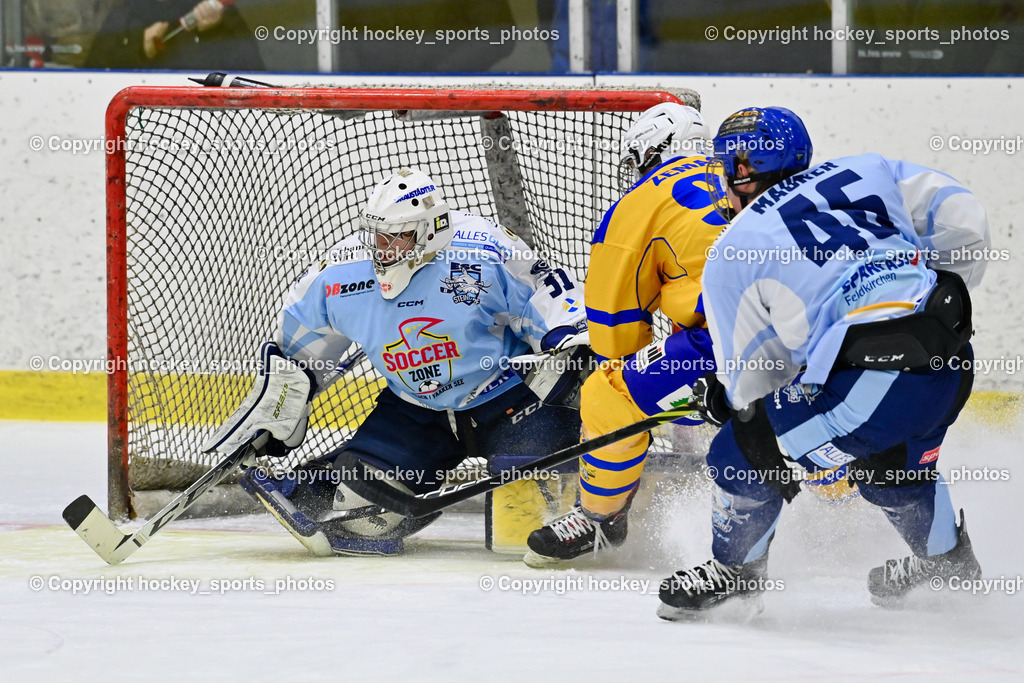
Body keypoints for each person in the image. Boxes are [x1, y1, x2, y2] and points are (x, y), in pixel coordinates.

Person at [658, 106, 990, 619]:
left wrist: (725, 401)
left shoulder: (734, 249)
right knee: (890, 469)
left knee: (740, 450)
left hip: (873, 387)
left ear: (742, 172)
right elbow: (959, 215)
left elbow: (752, 387)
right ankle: (948, 565)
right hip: (950, 359)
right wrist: (919, 293)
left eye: (726, 167)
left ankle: (736, 575)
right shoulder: (866, 169)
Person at [202, 167, 588, 556]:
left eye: (398, 236)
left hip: (511, 402)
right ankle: (326, 479)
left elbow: (546, 291)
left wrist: (572, 341)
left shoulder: (483, 248)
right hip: (415, 411)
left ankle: (595, 503)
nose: (383, 249)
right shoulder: (342, 271)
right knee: (361, 517)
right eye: (377, 235)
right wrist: (280, 405)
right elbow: (300, 347)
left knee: (527, 529)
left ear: (432, 229)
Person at [523, 102, 729, 566]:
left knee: (608, 393)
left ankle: (599, 518)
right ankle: (842, 506)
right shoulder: (746, 176)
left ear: (649, 152)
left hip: (725, 345)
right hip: (818, 333)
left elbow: (614, 326)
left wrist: (632, 376)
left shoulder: (642, 201)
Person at [84, 0, 265, 70]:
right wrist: (140, 49)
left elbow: (252, 79)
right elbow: (93, 78)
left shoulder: (216, 14)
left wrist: (216, 31)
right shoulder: (124, 16)